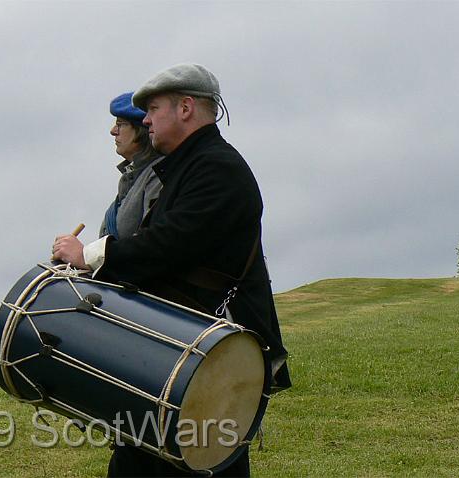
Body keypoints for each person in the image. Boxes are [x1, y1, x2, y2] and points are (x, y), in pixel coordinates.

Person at [52, 63, 291, 477]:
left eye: (153, 108)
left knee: (202, 462)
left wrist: (89, 257)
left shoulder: (217, 167)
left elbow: (168, 245)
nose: (144, 120)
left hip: (210, 350)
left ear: (185, 108)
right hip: (184, 346)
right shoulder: (188, 165)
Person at [100, 92, 163, 239]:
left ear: (141, 129)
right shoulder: (134, 175)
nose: (113, 131)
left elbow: (149, 240)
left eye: (120, 124)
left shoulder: (157, 174)